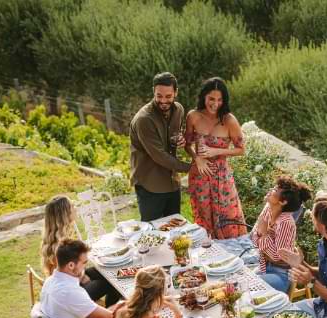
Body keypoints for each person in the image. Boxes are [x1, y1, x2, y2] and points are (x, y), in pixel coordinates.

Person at [185, 77, 247, 239]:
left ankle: (234, 257)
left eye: (220, 100)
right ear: (204, 96)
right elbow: (187, 144)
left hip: (222, 178)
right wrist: (197, 158)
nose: (215, 103)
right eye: (211, 99)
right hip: (199, 176)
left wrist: (214, 151)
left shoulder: (229, 120)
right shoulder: (193, 116)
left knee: (227, 218)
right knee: (203, 220)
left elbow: (241, 150)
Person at [39, 239, 118, 318]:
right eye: (84, 263)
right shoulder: (70, 292)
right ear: (71, 265)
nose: (85, 267)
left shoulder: (49, 282)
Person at [130, 72, 191, 222]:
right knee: (152, 233)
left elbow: (172, 137)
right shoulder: (144, 120)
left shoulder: (179, 111)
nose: (163, 101)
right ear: (153, 92)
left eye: (168, 96)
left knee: (174, 229)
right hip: (150, 185)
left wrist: (179, 140)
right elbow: (159, 155)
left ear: (176, 92)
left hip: (172, 183)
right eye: (159, 96)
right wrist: (191, 167)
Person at [40, 195, 122, 307]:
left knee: (107, 270)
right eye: (72, 206)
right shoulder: (60, 245)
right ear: (65, 214)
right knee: (113, 282)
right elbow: (68, 275)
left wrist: (82, 274)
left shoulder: (54, 238)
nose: (75, 209)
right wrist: (82, 276)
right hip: (71, 291)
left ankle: (111, 311)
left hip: (71, 279)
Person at [250, 175, 312, 292]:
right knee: (239, 279)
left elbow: (277, 256)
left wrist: (263, 234)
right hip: (264, 267)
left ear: (283, 201)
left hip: (281, 275)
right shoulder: (269, 211)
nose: (270, 190)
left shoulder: (286, 223)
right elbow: (254, 240)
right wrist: (261, 235)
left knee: (249, 285)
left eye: (275, 190)